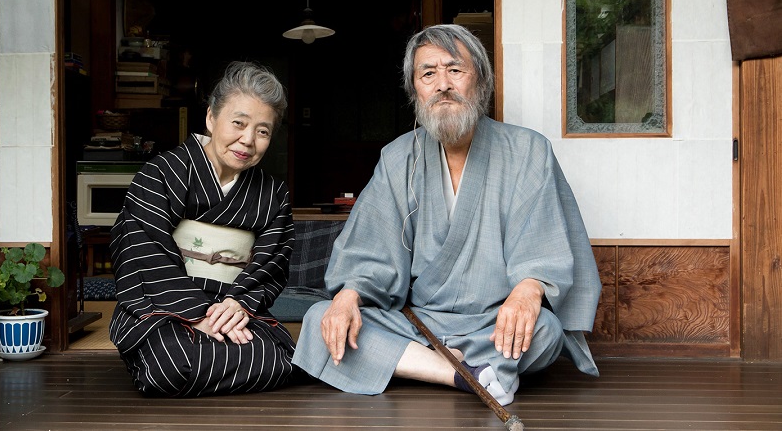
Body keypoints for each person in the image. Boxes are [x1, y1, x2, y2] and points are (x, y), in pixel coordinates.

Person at [291, 24, 602, 406]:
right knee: (320, 318)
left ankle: (421, 366)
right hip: (419, 324)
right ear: (415, 91)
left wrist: (528, 290)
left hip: (494, 324)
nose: (442, 84)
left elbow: (544, 245)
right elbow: (369, 247)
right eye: (428, 74)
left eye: (455, 70)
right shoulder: (398, 158)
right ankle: (461, 375)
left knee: (545, 332)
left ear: (481, 82)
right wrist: (348, 296)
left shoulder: (527, 151)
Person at [108, 61, 301, 397]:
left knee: (282, 359)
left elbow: (271, 262)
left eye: (262, 131)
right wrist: (197, 314)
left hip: (235, 310)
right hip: (164, 308)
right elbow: (142, 252)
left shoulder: (273, 194)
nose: (248, 140)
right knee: (171, 363)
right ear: (212, 117)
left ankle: (215, 360)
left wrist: (237, 307)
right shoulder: (161, 173)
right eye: (238, 123)